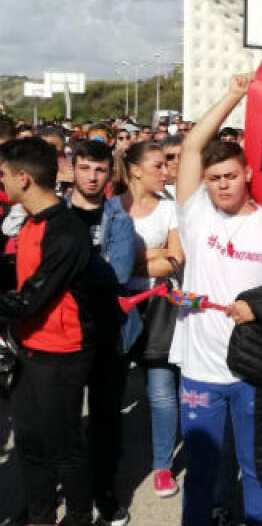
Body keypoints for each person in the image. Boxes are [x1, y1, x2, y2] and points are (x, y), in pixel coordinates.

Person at [173, 75, 262, 526]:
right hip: (200, 370)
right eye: (213, 179)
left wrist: (258, 310)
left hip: (254, 369)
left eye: (230, 176)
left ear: (247, 174)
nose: (222, 186)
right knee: (203, 473)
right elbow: (192, 148)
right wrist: (234, 94)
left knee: (257, 470)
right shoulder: (195, 215)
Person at [0, 138, 99, 526]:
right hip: (29, 348)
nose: (2, 182)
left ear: (23, 178)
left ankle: (77, 517)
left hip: (63, 355)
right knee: (30, 442)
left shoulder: (67, 231)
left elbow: (29, 301)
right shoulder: (29, 220)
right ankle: (40, 515)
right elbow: (17, 278)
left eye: (5, 175)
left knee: (64, 445)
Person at [64, 140, 136, 525]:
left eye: (100, 170)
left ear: (111, 174)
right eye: (85, 168)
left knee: (106, 418)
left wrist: (71, 271)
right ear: (72, 169)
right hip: (62, 336)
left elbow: (119, 274)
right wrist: (94, 266)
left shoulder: (120, 219)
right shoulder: (54, 214)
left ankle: (103, 492)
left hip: (109, 334)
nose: (92, 177)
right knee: (64, 418)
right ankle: (68, 491)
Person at [116, 141, 185, 498]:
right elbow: (110, 266)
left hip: (159, 309)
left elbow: (176, 260)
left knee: (161, 392)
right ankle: (108, 462)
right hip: (117, 310)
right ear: (136, 170)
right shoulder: (112, 208)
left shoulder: (170, 209)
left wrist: (136, 258)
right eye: (158, 165)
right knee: (109, 392)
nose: (166, 170)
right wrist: (153, 254)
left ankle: (162, 466)